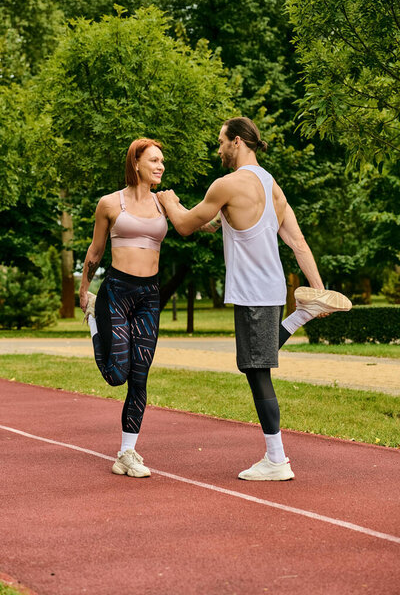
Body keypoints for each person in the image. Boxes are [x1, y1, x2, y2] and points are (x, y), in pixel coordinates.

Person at [157, 117, 351, 481]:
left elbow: (183, 226)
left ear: (237, 141)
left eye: (220, 142)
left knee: (257, 369)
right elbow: (296, 242)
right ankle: (305, 311)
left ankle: (277, 459)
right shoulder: (271, 185)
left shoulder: (226, 184)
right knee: (255, 362)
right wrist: (318, 286)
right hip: (270, 289)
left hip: (252, 292)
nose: (218, 149)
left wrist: (170, 202)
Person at [79, 138, 168, 478]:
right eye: (154, 160)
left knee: (140, 375)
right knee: (117, 375)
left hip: (149, 295)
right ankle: (93, 324)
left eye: (162, 161)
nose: (160, 166)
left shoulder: (164, 203)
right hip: (116, 292)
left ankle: (126, 453)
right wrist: (85, 292)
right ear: (137, 163)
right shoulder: (109, 203)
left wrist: (225, 211)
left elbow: (195, 222)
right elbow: (95, 250)